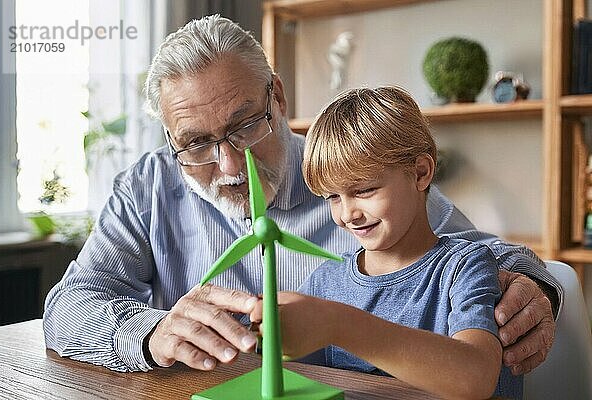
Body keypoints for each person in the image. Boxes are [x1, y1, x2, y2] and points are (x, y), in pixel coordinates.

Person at [43, 14, 560, 376]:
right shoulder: (147, 187)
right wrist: (149, 333)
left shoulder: (347, 171)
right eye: (197, 144)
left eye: (244, 126)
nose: (229, 166)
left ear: (279, 97)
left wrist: (538, 288)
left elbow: (480, 255)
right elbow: (67, 306)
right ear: (171, 139)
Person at [251, 86, 522, 399]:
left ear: (420, 172)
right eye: (332, 197)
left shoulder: (465, 267)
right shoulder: (326, 281)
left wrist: (340, 324)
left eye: (364, 190)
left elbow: (476, 377)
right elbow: (292, 378)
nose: (348, 214)